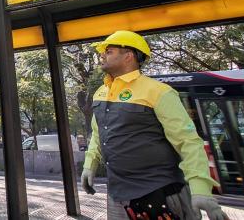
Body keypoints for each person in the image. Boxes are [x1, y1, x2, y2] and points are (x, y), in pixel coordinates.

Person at [81, 30, 228, 220]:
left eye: (109, 51)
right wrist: (89, 166)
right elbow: (98, 134)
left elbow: (188, 141)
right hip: (116, 195)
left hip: (159, 193)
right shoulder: (100, 92)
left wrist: (201, 189)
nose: (102, 55)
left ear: (128, 56)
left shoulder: (159, 91)